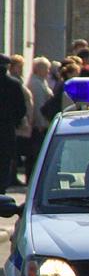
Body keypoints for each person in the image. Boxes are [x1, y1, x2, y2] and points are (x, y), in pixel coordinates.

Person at [0, 54, 27, 193]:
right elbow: (21, 109)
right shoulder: (14, 84)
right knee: (4, 162)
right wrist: (14, 121)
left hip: (7, 128)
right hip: (6, 129)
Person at [27, 56, 53, 181]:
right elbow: (38, 105)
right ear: (39, 69)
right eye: (46, 69)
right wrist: (41, 122)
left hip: (42, 123)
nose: (48, 71)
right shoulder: (36, 84)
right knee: (35, 152)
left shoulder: (41, 81)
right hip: (39, 124)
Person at [9, 55, 33, 186]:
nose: (21, 69)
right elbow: (20, 105)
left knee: (14, 153)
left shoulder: (18, 81)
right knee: (12, 152)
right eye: (19, 67)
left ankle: (11, 177)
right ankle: (10, 177)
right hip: (13, 125)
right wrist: (20, 121)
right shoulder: (13, 83)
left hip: (15, 123)